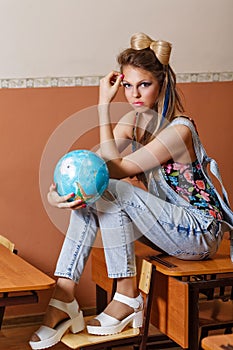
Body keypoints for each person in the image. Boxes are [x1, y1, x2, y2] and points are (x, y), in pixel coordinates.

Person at [29, 32, 233, 349]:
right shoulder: (133, 120)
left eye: (144, 84)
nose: (133, 93)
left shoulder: (179, 131)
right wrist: (61, 194)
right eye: (127, 85)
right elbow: (102, 162)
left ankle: (126, 296)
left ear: (163, 84)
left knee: (109, 190)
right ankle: (64, 295)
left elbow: (115, 169)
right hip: (166, 227)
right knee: (100, 197)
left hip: (199, 233)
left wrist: (100, 110)